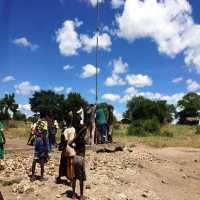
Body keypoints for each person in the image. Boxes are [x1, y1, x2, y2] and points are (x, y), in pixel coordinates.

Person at [56, 111, 76, 183]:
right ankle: (71, 178)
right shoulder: (74, 129)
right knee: (71, 164)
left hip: (67, 148)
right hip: (73, 148)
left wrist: (61, 147)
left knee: (64, 163)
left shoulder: (65, 130)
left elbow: (64, 141)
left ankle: (62, 176)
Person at [72, 114, 87, 200]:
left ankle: (73, 195)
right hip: (81, 158)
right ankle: (81, 195)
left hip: (75, 157)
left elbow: (70, 143)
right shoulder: (82, 140)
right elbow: (85, 128)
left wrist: (73, 145)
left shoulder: (76, 134)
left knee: (74, 177)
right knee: (81, 178)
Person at [30, 114, 49, 182]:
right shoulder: (45, 122)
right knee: (42, 159)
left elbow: (34, 131)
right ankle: (41, 177)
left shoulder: (38, 121)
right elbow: (44, 135)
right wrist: (46, 146)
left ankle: (32, 176)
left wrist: (37, 135)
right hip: (41, 141)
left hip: (36, 140)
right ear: (45, 116)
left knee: (35, 158)